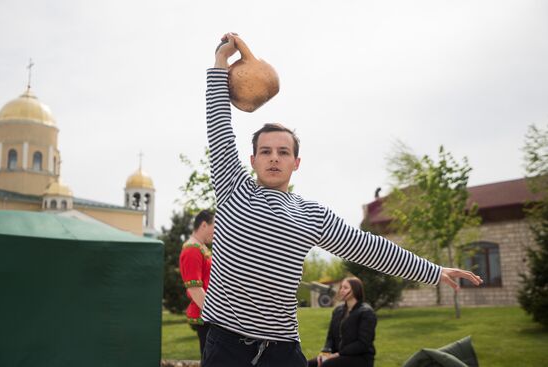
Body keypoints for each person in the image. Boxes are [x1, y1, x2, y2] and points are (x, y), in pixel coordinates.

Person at [201, 33, 483, 367]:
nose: (274, 158)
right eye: (265, 151)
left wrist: (433, 271)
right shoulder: (234, 188)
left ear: (296, 162)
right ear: (252, 161)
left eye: (283, 152)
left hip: (280, 349)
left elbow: (368, 247)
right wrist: (220, 63)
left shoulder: (310, 214)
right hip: (226, 344)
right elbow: (218, 125)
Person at [308, 277, 376, 367]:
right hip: (338, 355)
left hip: (360, 358)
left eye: (345, 288)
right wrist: (325, 352)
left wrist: (339, 354)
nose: (341, 290)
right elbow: (330, 337)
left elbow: (363, 344)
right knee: (308, 364)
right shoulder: (338, 311)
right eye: (341, 287)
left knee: (327, 365)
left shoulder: (366, 312)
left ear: (356, 290)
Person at [179, 210, 215, 360]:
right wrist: (214, 313)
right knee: (211, 360)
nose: (216, 232)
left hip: (207, 314)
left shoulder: (200, 247)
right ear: (204, 225)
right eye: (215, 226)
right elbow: (194, 288)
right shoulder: (192, 249)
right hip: (205, 315)